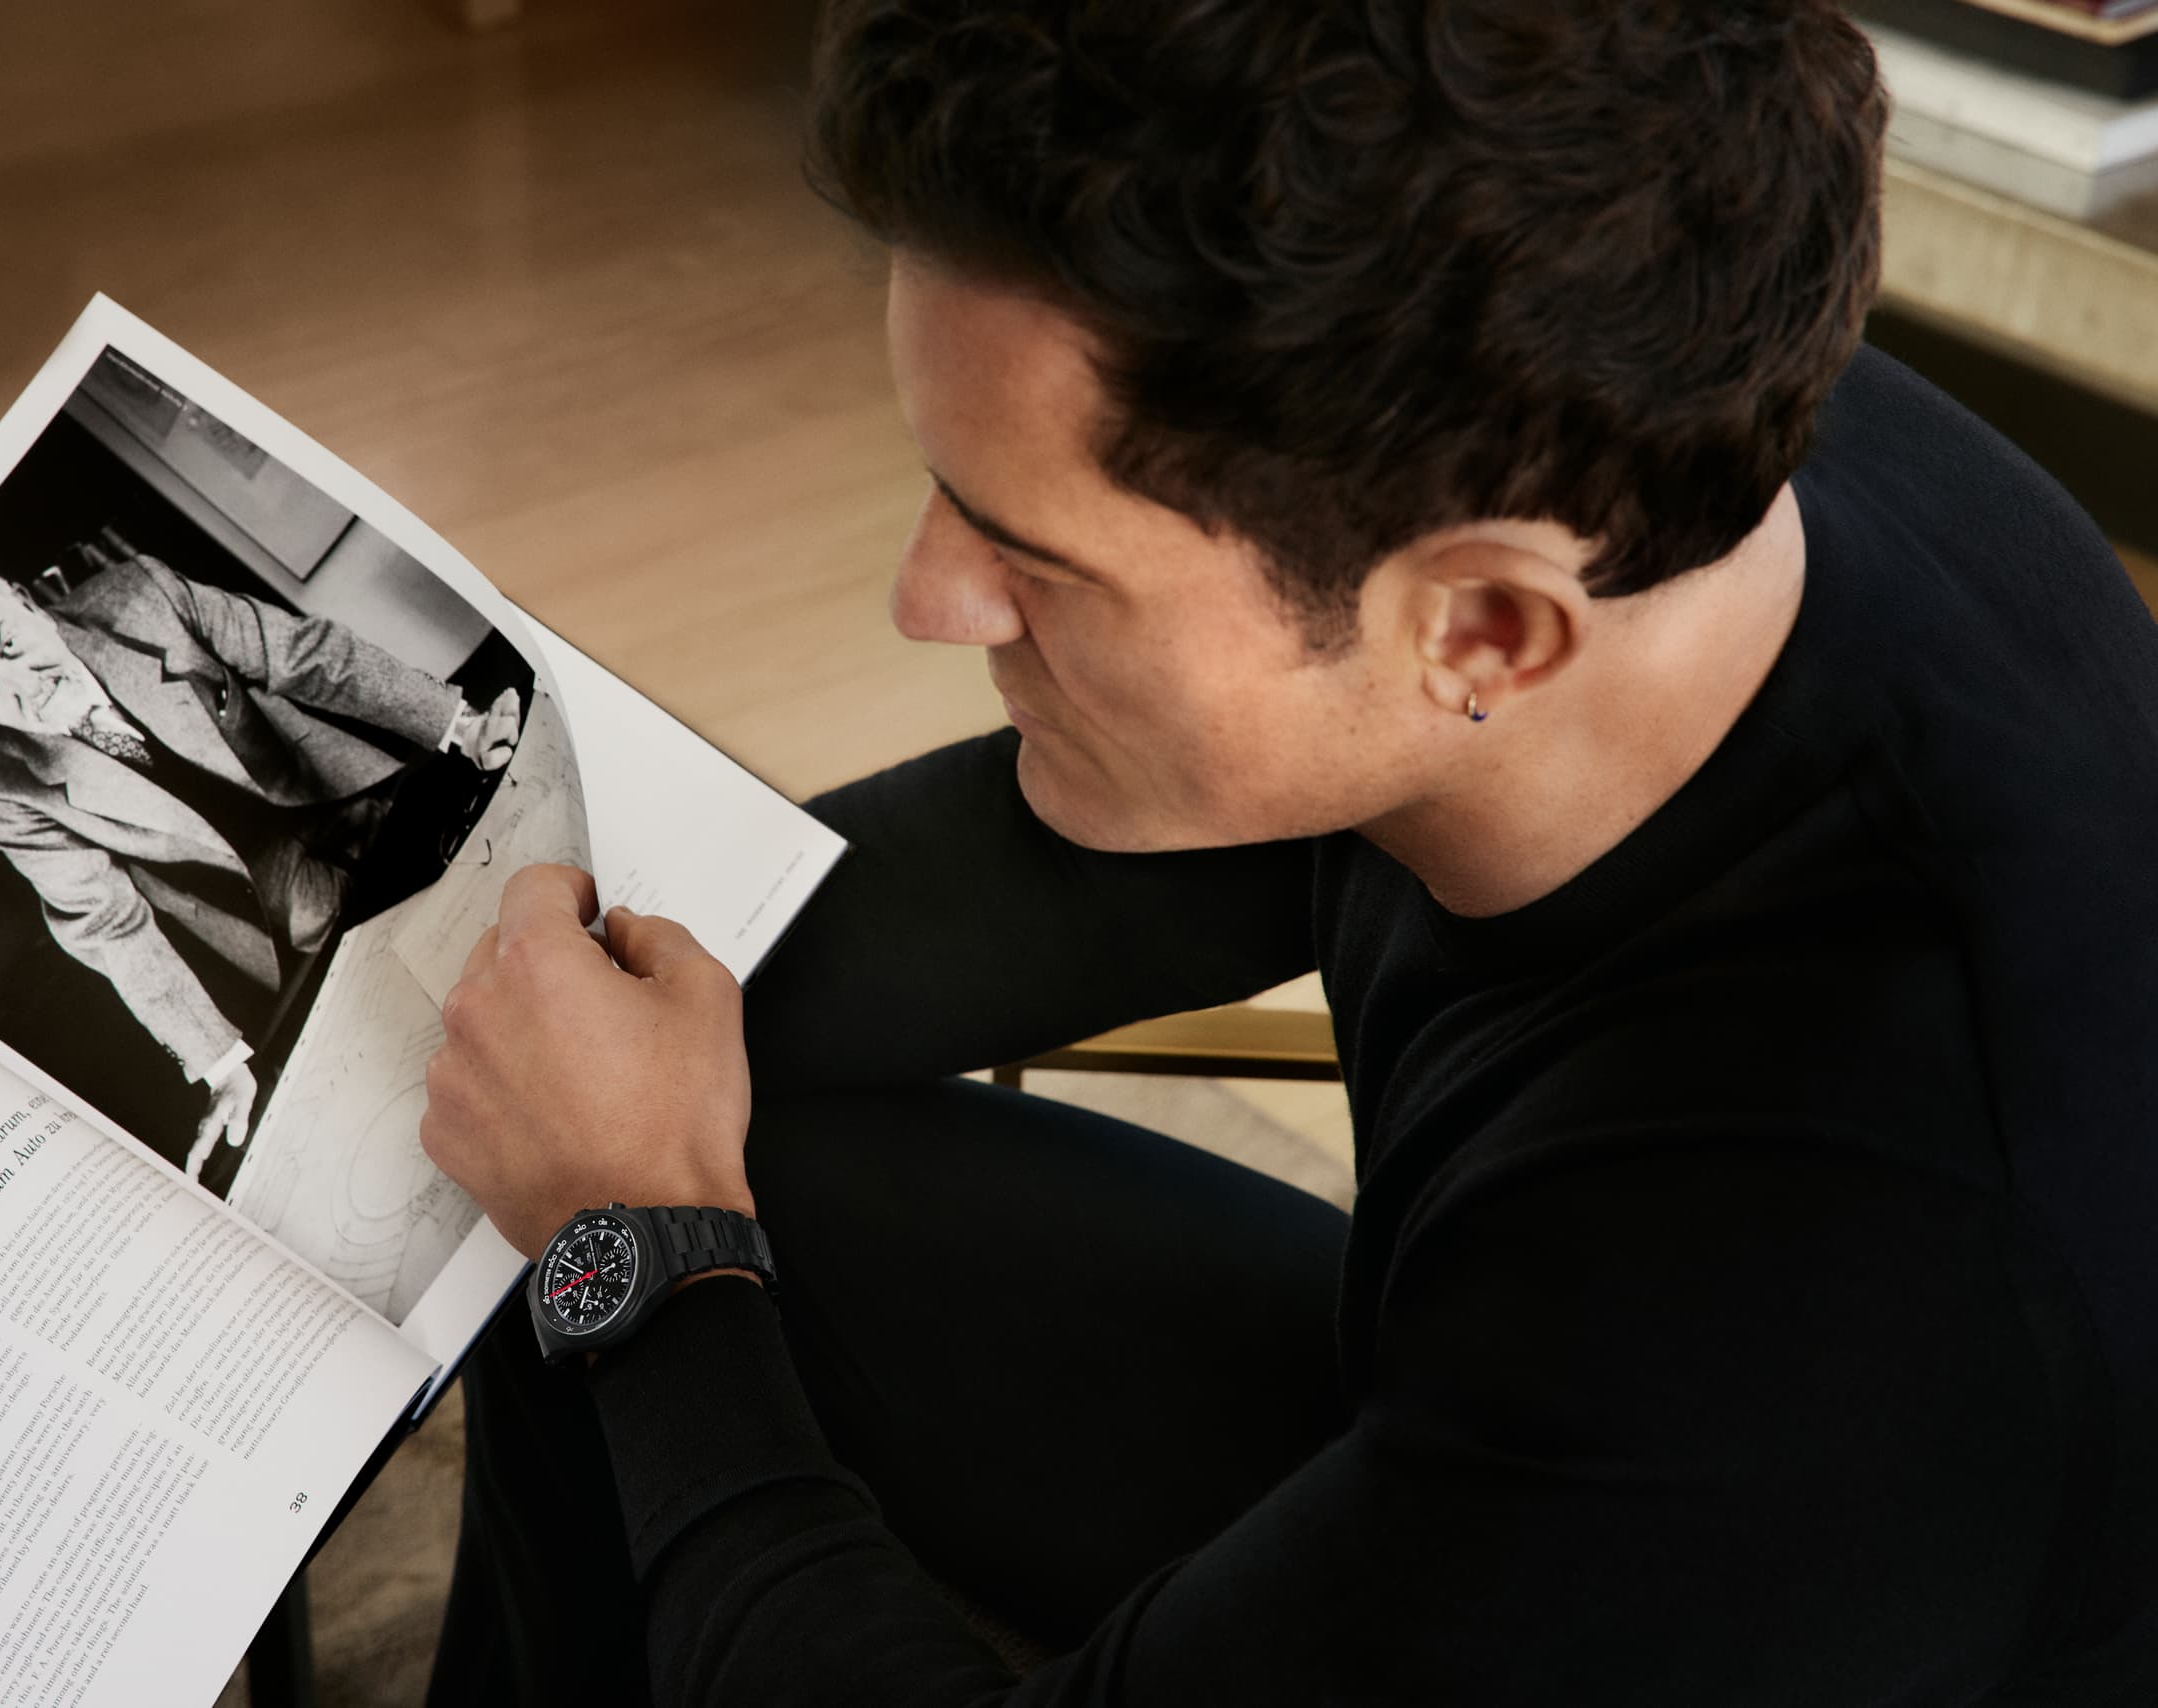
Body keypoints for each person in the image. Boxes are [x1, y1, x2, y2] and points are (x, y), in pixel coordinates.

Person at [415, 2, 2158, 1703]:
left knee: (615, 1229)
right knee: (598, 1097)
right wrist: (575, 993)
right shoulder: (1616, 406)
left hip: (1711, 1558)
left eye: (1034, 553)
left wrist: (631, 1256)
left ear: (1480, 631)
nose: (925, 596)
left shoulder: (1792, 1305)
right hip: (1525, 1410)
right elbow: (1100, 848)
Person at [0, 554, 522, 1176]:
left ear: (24, 600)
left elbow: (307, 658)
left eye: (7, 644)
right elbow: (102, 920)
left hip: (342, 789)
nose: (26, 687)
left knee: (499, 886)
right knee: (434, 996)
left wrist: (461, 726)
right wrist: (218, 1061)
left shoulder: (141, 595)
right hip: (265, 903)